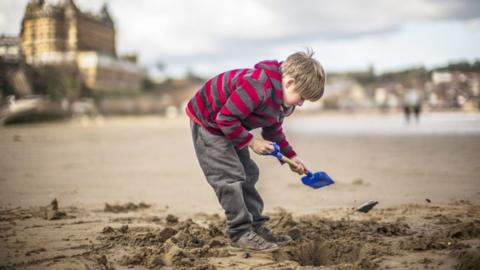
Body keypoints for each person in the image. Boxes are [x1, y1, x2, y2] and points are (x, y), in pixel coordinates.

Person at [186, 49, 326, 251]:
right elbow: (225, 119)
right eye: (302, 97)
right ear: (289, 83)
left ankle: (256, 226)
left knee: (249, 173)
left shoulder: (283, 102)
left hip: (233, 125)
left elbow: (274, 131)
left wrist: (291, 157)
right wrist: (252, 142)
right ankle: (240, 232)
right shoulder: (257, 86)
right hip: (209, 122)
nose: (301, 103)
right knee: (229, 176)